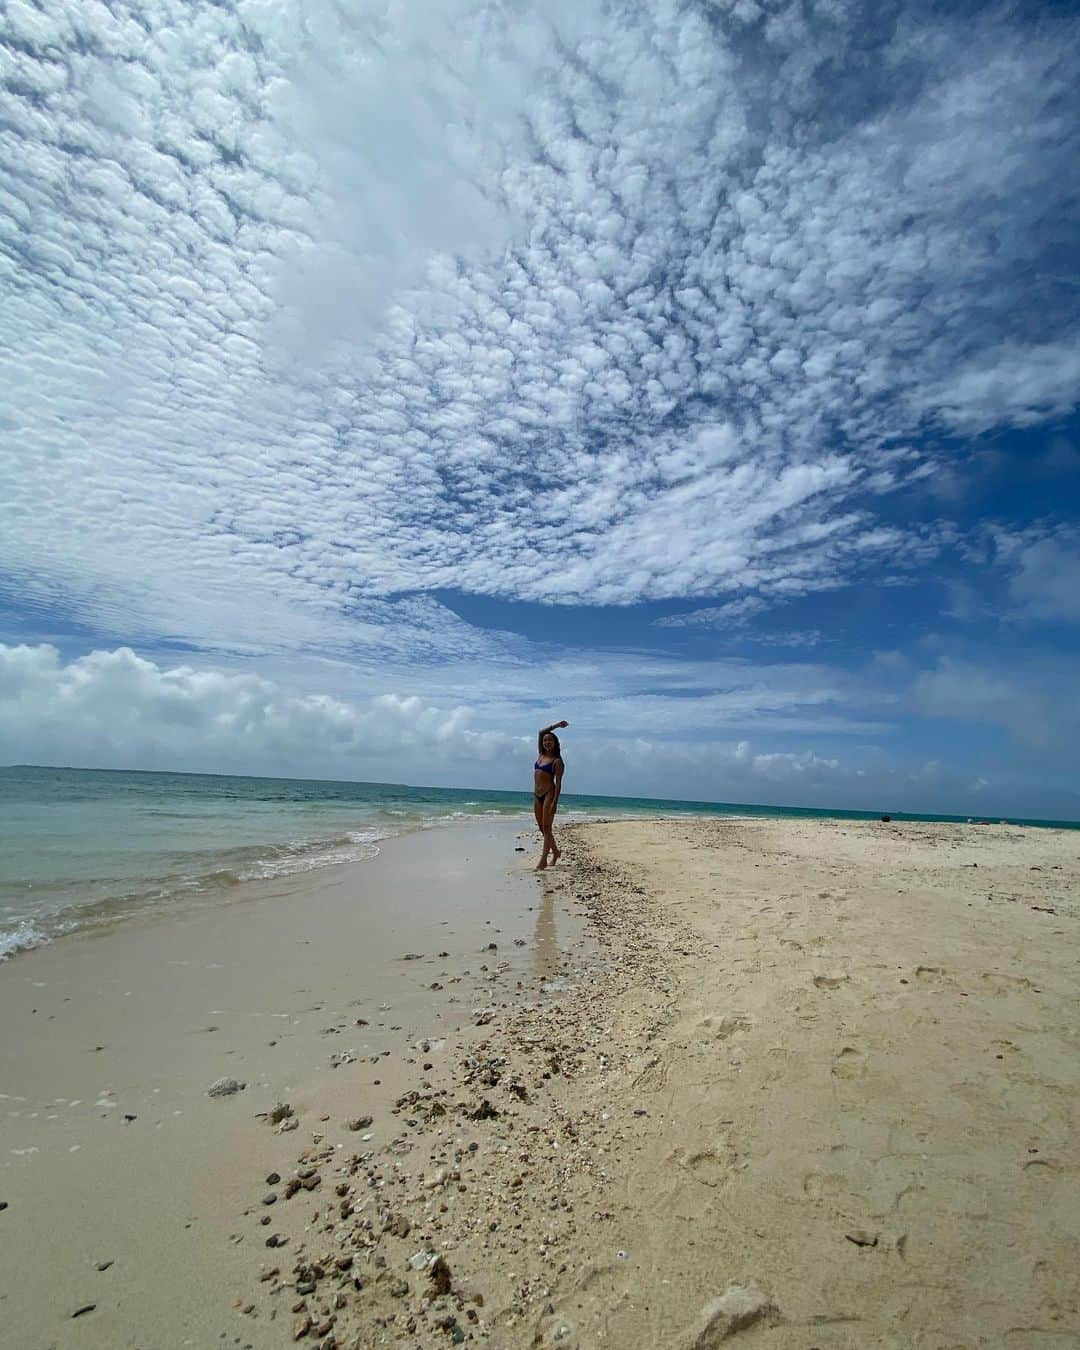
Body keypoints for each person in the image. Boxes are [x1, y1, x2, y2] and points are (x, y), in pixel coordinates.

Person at [533, 719, 567, 870]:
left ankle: (543, 860)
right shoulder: (540, 755)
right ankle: (556, 852)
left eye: (550, 740)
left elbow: (558, 783)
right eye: (545, 740)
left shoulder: (557, 761)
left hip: (549, 794)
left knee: (547, 828)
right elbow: (541, 732)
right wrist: (556, 726)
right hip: (536, 795)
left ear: (555, 743)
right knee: (542, 828)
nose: (547, 742)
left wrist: (555, 802)